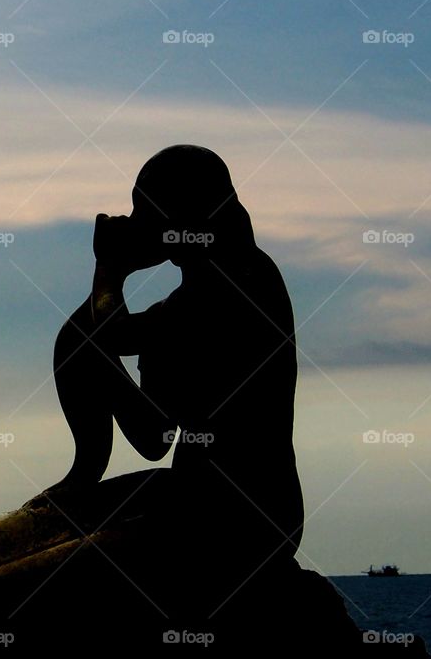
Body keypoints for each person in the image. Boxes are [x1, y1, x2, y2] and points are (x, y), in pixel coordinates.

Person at [45, 144, 304, 601]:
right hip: (189, 499)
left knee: (59, 572)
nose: (137, 224)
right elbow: (154, 434)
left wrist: (109, 270)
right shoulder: (191, 296)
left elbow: (116, 338)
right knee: (60, 526)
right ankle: (17, 528)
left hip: (241, 524)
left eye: (146, 213)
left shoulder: (240, 282)